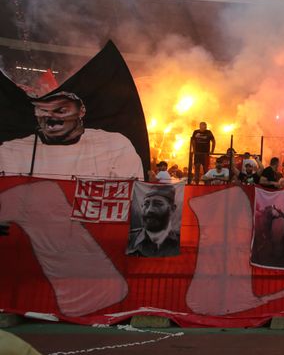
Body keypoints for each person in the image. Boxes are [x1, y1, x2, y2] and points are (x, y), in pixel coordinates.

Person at [0, 91, 143, 179]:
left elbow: (130, 196)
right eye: (43, 110)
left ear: (81, 111)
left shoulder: (114, 145)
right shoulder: (13, 150)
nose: (50, 116)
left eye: (60, 110)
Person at [126, 184, 180, 257]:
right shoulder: (129, 239)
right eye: (146, 204)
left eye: (158, 204)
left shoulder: (182, 241)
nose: (150, 210)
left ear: (172, 209)